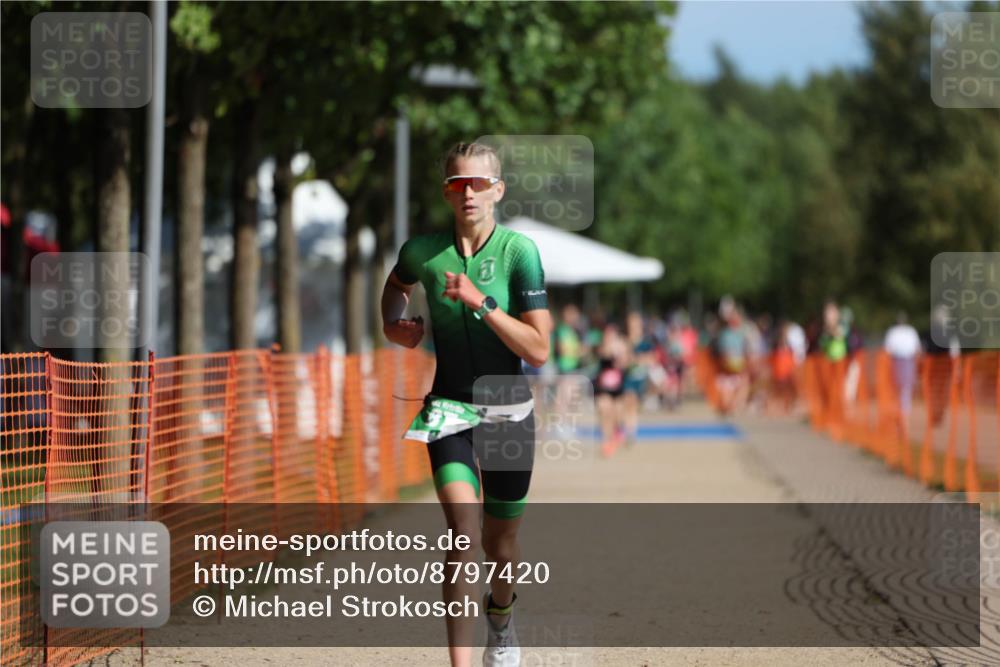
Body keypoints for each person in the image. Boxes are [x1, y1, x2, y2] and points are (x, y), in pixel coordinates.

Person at [381, 141, 551, 667]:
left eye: (479, 183)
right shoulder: (423, 251)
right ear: (446, 193)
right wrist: (393, 324)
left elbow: (539, 350)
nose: (469, 193)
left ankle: (501, 619)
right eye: (459, 184)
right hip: (449, 408)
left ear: (498, 190)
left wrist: (483, 304)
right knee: (462, 532)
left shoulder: (519, 252)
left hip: (507, 409)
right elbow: (396, 286)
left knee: (500, 545)